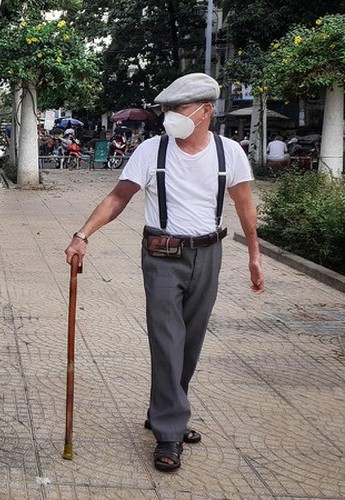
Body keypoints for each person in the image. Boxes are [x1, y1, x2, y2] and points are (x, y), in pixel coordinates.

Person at [64, 73, 264, 473]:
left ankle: (165, 412)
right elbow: (118, 197)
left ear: (205, 111)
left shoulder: (230, 153)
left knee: (190, 343)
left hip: (209, 253)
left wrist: (254, 255)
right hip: (161, 255)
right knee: (168, 340)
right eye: (168, 109)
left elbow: (244, 206)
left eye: (179, 108)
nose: (170, 116)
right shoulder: (151, 152)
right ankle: (170, 433)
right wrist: (82, 233)